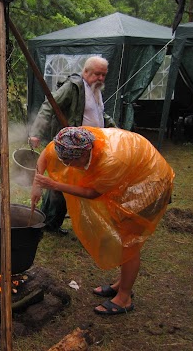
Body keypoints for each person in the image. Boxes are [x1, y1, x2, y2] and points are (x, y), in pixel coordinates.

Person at [30, 126, 174, 315]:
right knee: (123, 234)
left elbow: (92, 193)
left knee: (129, 241)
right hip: (131, 173)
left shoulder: (111, 160)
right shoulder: (70, 140)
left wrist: (54, 184)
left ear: (84, 154)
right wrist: (36, 184)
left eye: (69, 161)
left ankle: (124, 298)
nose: (65, 165)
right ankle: (121, 284)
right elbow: (45, 156)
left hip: (151, 183)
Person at [29, 56, 117, 235]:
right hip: (70, 146)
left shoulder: (96, 90)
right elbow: (49, 105)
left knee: (67, 185)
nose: (101, 78)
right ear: (86, 72)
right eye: (97, 74)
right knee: (59, 185)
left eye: (103, 75)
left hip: (87, 148)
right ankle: (48, 222)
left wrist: (114, 129)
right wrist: (36, 132)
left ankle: (49, 220)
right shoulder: (73, 87)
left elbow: (100, 115)